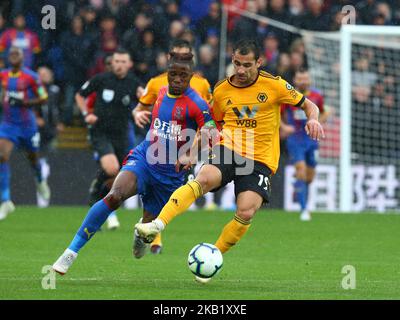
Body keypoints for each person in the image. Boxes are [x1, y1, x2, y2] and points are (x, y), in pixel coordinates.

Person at [135, 39, 325, 282]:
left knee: (246, 212)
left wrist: (313, 119)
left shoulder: (275, 85)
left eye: (247, 65)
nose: (241, 70)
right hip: (229, 148)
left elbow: (309, 105)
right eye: (237, 64)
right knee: (204, 179)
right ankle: (157, 225)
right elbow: (211, 125)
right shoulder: (223, 89)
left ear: (259, 62)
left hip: (260, 159)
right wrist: (193, 151)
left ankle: (213, 255)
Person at [52, 52, 216, 275]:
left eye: (183, 76)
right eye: (173, 74)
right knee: (114, 196)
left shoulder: (196, 103)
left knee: (148, 223)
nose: (177, 79)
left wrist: (192, 153)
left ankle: (141, 235)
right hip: (144, 160)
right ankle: (71, 252)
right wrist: (139, 113)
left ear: (191, 76)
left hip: (169, 176)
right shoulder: (158, 91)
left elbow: (211, 132)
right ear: (167, 73)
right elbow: (140, 107)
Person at [133, 39, 213, 254]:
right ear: (170, 59)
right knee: (153, 193)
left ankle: (148, 228)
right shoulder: (157, 84)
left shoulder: (202, 85)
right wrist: (138, 113)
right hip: (157, 144)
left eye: (185, 56)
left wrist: (194, 149)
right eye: (177, 56)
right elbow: (139, 107)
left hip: (189, 148)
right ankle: (153, 234)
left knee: (173, 197)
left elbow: (208, 118)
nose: (181, 60)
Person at [74, 48, 141, 230]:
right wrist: (86, 113)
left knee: (117, 175)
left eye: (122, 62)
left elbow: (144, 101)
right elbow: (80, 95)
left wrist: (139, 113)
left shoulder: (134, 83)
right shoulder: (101, 79)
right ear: (112, 63)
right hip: (101, 132)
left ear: (129, 64)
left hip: (122, 134)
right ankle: (103, 201)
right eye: (116, 61)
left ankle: (98, 194)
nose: (119, 65)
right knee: (112, 168)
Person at [0, 47, 49, 220]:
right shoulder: (3, 75)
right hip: (8, 124)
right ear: (7, 57)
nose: (13, 56)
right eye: (11, 53)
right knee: (2, 156)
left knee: (33, 158)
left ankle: (40, 179)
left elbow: (44, 97)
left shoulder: (31, 77)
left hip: (28, 125)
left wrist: (24, 102)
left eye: (17, 54)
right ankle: (5, 200)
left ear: (22, 58)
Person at [280, 68, 329, 221]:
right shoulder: (289, 96)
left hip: (312, 140)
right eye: (300, 79)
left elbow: (324, 112)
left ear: (309, 80)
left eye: (305, 79)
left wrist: (318, 123)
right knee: (301, 170)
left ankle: (299, 187)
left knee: (309, 177)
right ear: (295, 80)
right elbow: (277, 113)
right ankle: (304, 209)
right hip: (295, 139)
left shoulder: (317, 96)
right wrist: (284, 126)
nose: (303, 82)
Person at [35, 66, 62, 208]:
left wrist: (57, 123)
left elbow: (55, 109)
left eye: (45, 74)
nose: (43, 76)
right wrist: (35, 117)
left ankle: (46, 190)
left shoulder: (54, 90)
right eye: (40, 74)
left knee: (50, 158)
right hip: (37, 131)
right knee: (39, 159)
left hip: (49, 131)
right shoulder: (34, 90)